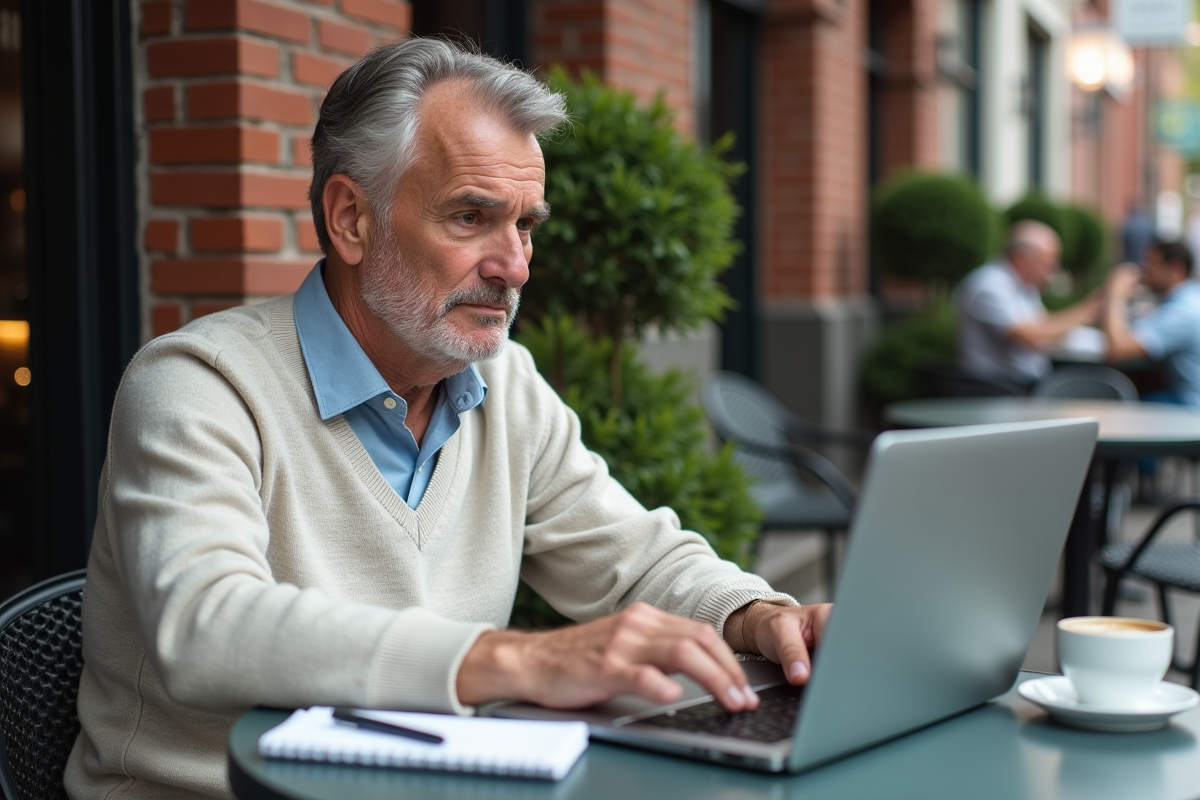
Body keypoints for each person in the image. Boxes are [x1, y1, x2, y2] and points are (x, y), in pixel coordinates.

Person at [63, 39, 831, 800]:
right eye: (472, 217)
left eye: (526, 224)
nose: (516, 265)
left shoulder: (506, 384)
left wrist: (760, 616)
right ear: (351, 220)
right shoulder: (199, 385)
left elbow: (635, 560)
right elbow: (204, 626)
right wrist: (522, 661)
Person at [955, 220, 1102, 389]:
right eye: (1048, 263)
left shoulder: (1024, 286)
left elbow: (1045, 327)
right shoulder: (990, 285)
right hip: (998, 389)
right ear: (1022, 258)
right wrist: (1084, 313)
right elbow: (1029, 336)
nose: (1053, 271)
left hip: (1023, 385)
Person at [1103, 238, 1200, 408]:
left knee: (1116, 403)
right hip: (1184, 397)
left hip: (1191, 406)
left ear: (1176, 269)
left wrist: (1115, 293)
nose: (1145, 271)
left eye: (1152, 263)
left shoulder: (1182, 312)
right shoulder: (1189, 299)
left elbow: (1117, 349)